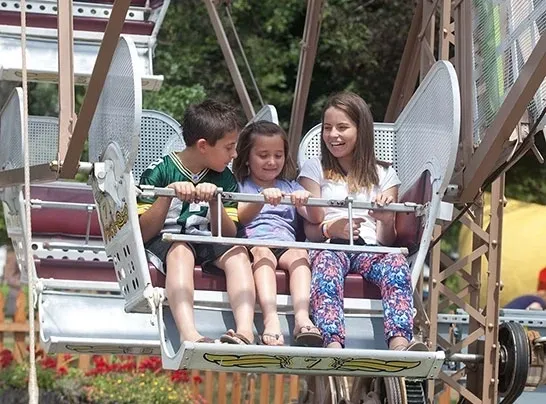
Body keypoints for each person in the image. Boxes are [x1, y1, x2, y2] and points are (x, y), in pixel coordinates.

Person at [298, 91, 416, 350]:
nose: (333, 136)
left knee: (396, 263)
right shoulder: (313, 168)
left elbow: (387, 240)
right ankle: (332, 341)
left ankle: (399, 340)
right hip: (330, 245)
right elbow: (309, 226)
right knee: (326, 266)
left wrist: (385, 219)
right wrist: (332, 228)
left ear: (360, 131)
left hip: (369, 247)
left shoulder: (385, 174)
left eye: (342, 128)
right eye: (327, 128)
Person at [137, 99, 256, 345]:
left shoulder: (225, 177)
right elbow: (143, 232)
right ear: (203, 146)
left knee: (238, 252)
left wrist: (215, 202)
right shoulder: (158, 171)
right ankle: (189, 333)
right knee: (181, 251)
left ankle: (245, 330)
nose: (234, 154)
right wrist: (166, 195)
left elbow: (228, 233)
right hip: (168, 240)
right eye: (229, 147)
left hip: (206, 239)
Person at [232, 121, 324, 347]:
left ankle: (302, 316)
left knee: (300, 254)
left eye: (278, 155)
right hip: (255, 243)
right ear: (246, 157)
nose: (272, 162)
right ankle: (271, 318)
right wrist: (261, 198)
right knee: (264, 256)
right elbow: (239, 218)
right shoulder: (239, 186)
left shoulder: (290, 187)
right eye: (263, 155)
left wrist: (307, 202)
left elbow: (316, 217)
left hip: (286, 243)